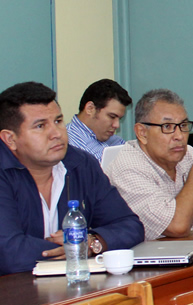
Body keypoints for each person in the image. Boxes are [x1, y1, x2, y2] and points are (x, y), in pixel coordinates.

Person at [0, 82, 143, 275]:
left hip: (70, 286)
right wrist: (74, 248)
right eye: (41, 126)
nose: (56, 134)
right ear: (10, 139)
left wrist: (93, 243)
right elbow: (9, 253)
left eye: (58, 121)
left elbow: (130, 225)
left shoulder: (81, 163)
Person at [107, 89, 193, 241]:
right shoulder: (128, 168)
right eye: (167, 127)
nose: (179, 136)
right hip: (163, 259)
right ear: (142, 133)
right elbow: (178, 226)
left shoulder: (188, 154)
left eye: (183, 125)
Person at [66, 79, 133, 162]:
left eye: (119, 119)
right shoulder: (67, 145)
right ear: (90, 109)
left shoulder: (116, 141)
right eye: (112, 117)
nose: (117, 125)